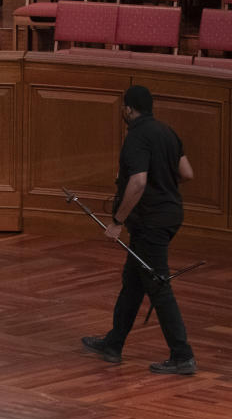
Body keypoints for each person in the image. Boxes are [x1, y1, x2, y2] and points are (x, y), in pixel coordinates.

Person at [81, 85, 196, 375]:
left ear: (129, 109)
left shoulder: (136, 137)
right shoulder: (168, 132)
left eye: (124, 107)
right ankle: (113, 344)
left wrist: (117, 222)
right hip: (170, 215)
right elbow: (187, 173)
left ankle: (182, 355)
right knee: (133, 281)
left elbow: (138, 182)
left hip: (151, 222)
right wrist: (163, 186)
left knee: (158, 286)